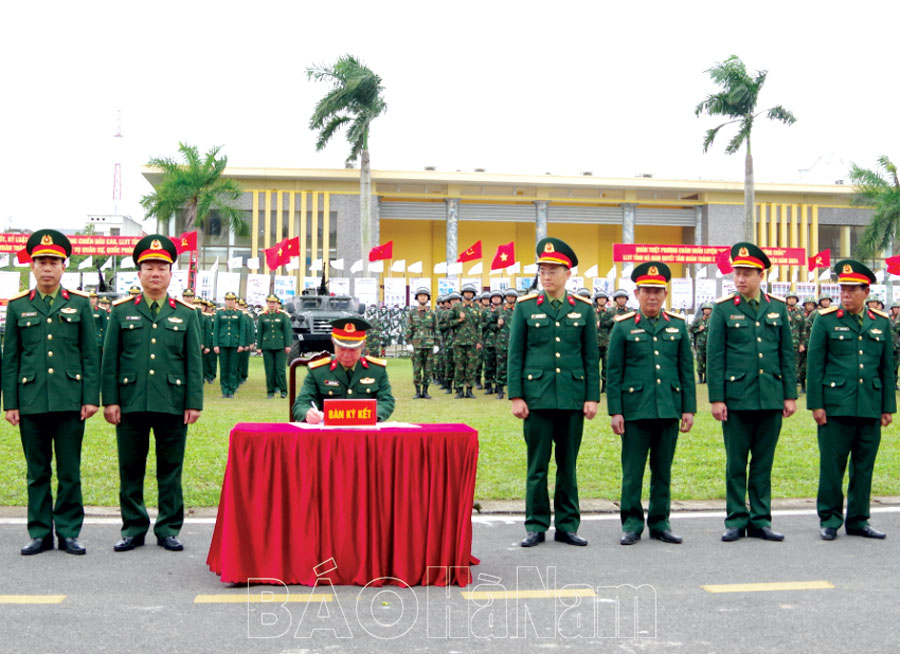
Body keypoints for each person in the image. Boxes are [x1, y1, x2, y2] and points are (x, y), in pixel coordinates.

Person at [102, 234, 203, 553]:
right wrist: (111, 400)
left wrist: (194, 403)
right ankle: (133, 527)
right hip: (130, 402)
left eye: (161, 267)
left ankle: (169, 528)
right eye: (149, 267)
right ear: (139, 273)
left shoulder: (186, 314)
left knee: (170, 469)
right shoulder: (120, 312)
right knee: (130, 468)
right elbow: (110, 359)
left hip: (172, 403)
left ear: (170, 273)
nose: (155, 273)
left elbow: (194, 363)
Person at [3, 230, 100, 556]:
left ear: (63, 266)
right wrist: (11, 403)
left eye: (53, 262)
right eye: (41, 262)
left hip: (70, 400)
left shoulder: (80, 304)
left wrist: (90, 397)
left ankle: (69, 533)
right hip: (30, 402)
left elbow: (89, 354)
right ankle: (40, 533)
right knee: (37, 472)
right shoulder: (18, 307)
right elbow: (11, 359)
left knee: (69, 473)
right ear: (32, 266)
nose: (47, 268)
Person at [508, 237, 599, 547]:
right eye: (542, 270)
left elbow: (590, 356)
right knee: (537, 466)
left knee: (568, 465)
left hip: (572, 398)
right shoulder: (525, 307)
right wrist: (516, 396)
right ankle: (535, 524)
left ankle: (567, 525)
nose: (546, 276)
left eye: (552, 270)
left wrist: (591, 397)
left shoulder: (584, 309)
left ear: (567, 273)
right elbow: (515, 355)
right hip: (536, 398)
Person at [707, 242, 797, 542]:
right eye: (737, 273)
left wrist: (789, 395)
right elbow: (715, 356)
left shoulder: (778, 308)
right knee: (736, 463)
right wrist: (717, 398)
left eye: (747, 273)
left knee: (762, 462)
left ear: (761, 275)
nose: (740, 279)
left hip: (770, 396)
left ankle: (760, 519)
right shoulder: (723, 309)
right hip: (736, 398)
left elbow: (786, 353)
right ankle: (735, 518)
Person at [607, 262, 695, 545]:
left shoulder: (677, 326)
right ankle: (632, 524)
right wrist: (616, 411)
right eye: (647, 291)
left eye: (658, 291)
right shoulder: (622, 328)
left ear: (665, 293)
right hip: (635, 411)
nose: (652, 297)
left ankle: (660, 522)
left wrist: (688, 409)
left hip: (668, 408)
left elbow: (686, 371)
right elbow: (614, 372)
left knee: (662, 470)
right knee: (632, 471)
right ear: (636, 293)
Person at [807, 260, 895, 540]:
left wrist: (887, 408)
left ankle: (858, 519)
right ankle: (830, 518)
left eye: (851, 290)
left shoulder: (880, 323)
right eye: (842, 289)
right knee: (833, 465)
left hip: (869, 404)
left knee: (864, 465)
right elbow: (815, 365)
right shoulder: (826, 319)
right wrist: (817, 404)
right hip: (836, 405)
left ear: (866, 292)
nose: (845, 295)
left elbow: (886, 367)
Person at [293, 318, 395, 422]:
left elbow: (386, 401)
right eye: (341, 349)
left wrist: (373, 414)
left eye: (352, 350)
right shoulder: (318, 371)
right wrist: (308, 413)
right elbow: (301, 403)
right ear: (333, 342)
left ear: (363, 345)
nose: (346, 355)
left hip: (364, 430)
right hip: (328, 432)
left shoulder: (376, 370)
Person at [404, 286, 438, 399]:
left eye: (424, 296)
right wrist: (408, 343)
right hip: (416, 345)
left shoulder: (432, 314)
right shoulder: (412, 313)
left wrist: (437, 344)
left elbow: (436, 330)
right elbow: (409, 328)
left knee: (428, 369)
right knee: (417, 369)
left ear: (427, 298)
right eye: (420, 296)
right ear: (417, 298)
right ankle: (418, 391)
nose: (422, 298)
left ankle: (426, 391)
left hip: (429, 345)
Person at [257, 294, 292, 398]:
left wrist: (288, 345)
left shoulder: (283, 315)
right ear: (267, 303)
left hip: (280, 345)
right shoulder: (262, 316)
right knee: (269, 370)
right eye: (270, 302)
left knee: (280, 370)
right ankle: (270, 391)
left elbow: (287, 331)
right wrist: (259, 346)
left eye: (274, 302)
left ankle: (283, 391)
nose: (272, 304)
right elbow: (260, 332)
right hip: (267, 345)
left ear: (277, 304)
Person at [213, 292, 247, 398]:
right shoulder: (219, 313)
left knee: (232, 368)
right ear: (225, 301)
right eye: (228, 300)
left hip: (234, 344)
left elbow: (242, 330)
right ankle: (224, 390)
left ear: (235, 301)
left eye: (232, 300)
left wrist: (241, 344)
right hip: (222, 343)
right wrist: (215, 345)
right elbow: (216, 329)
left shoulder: (239, 314)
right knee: (223, 368)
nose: (230, 302)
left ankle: (231, 390)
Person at [452, 284, 482, 399]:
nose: (468, 294)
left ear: (473, 294)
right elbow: (449, 324)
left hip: (472, 342)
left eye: (471, 292)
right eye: (466, 292)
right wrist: (459, 320)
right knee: (459, 367)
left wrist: (479, 341)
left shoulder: (476, 308)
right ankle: (459, 390)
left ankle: (469, 390)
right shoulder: (456, 307)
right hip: (459, 342)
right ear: (463, 294)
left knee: (471, 367)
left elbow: (479, 326)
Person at [493, 288, 518, 399]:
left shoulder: (518, 309)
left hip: (515, 343)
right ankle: (500, 391)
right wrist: (497, 325)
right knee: (501, 367)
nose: (510, 298)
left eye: (512, 297)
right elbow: (489, 326)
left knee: (514, 367)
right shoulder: (499, 310)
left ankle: (515, 391)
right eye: (508, 296)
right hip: (501, 343)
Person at [593, 290, 614, 393]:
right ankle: (594, 387)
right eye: (599, 298)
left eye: (603, 298)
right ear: (596, 300)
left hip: (607, 342)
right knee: (593, 366)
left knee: (606, 366)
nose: (601, 300)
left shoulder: (611, 312)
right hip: (595, 342)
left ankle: (605, 388)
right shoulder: (592, 312)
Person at [689, 303, 712, 383]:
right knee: (700, 361)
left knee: (708, 362)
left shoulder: (713, 321)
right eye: (705, 309)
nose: (707, 311)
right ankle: (700, 378)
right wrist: (698, 330)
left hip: (710, 345)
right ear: (703, 310)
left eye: (709, 309)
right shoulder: (698, 320)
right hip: (700, 345)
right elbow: (691, 329)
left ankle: (706, 378)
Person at [90, 290, 108, 363]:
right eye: (90, 298)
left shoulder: (101, 311)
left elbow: (105, 328)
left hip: (97, 341)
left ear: (97, 299)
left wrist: (104, 344)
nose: (92, 300)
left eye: (94, 298)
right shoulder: (83, 310)